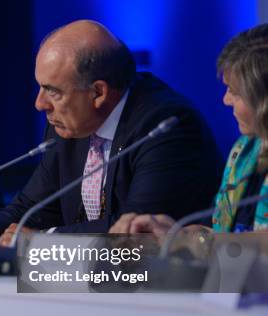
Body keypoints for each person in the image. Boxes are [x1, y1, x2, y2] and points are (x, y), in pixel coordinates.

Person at [0, 20, 222, 246]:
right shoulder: (69, 122)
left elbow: (135, 229)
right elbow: (31, 207)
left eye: (52, 91)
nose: (40, 104)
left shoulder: (165, 126)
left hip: (167, 280)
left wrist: (46, 239)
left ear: (98, 93)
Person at [110, 24, 268, 236]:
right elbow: (221, 233)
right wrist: (172, 233)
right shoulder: (245, 148)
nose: (225, 100)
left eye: (235, 92)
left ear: (263, 100)